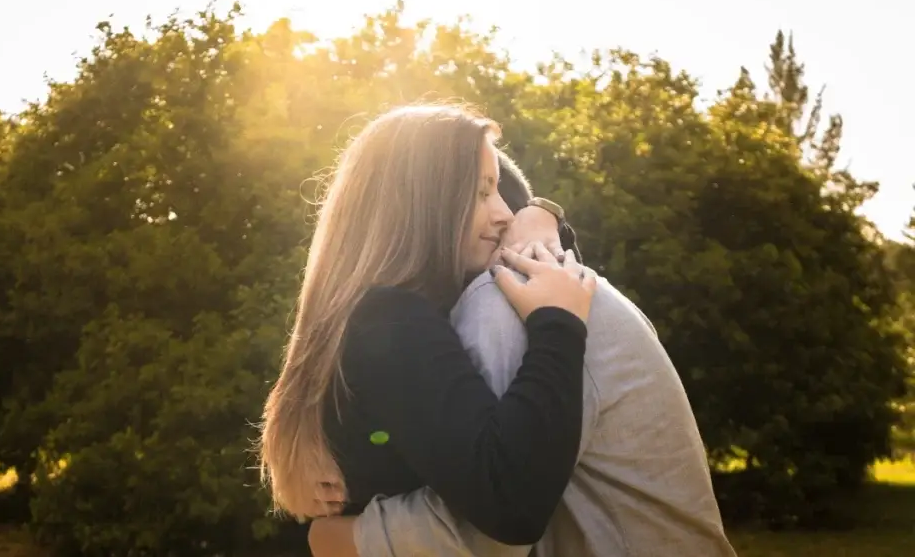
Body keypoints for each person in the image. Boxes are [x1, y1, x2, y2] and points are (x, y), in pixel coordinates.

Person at [307, 153, 739, 557]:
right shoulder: (520, 293)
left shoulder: (504, 298)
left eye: (496, 192)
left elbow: (492, 526)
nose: (503, 215)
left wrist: (333, 537)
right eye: (480, 193)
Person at [257, 104, 599, 546]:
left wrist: (540, 215)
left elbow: (536, 230)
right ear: (421, 203)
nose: (503, 214)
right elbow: (513, 504)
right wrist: (559, 325)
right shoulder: (390, 321)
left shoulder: (383, 312)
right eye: (481, 192)